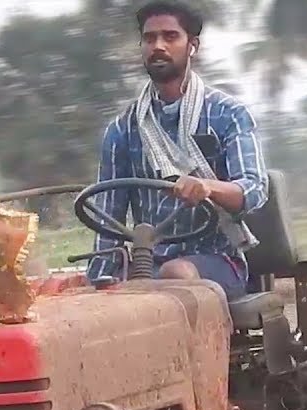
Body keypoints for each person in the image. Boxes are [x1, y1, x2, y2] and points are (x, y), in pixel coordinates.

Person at [84, 0, 268, 300]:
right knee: (98, 291)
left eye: (170, 36)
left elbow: (255, 190)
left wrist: (207, 187)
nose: (158, 45)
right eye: (149, 38)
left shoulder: (228, 115)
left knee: (174, 274)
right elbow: (108, 219)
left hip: (216, 262)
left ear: (192, 45)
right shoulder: (122, 130)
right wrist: (99, 280)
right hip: (147, 264)